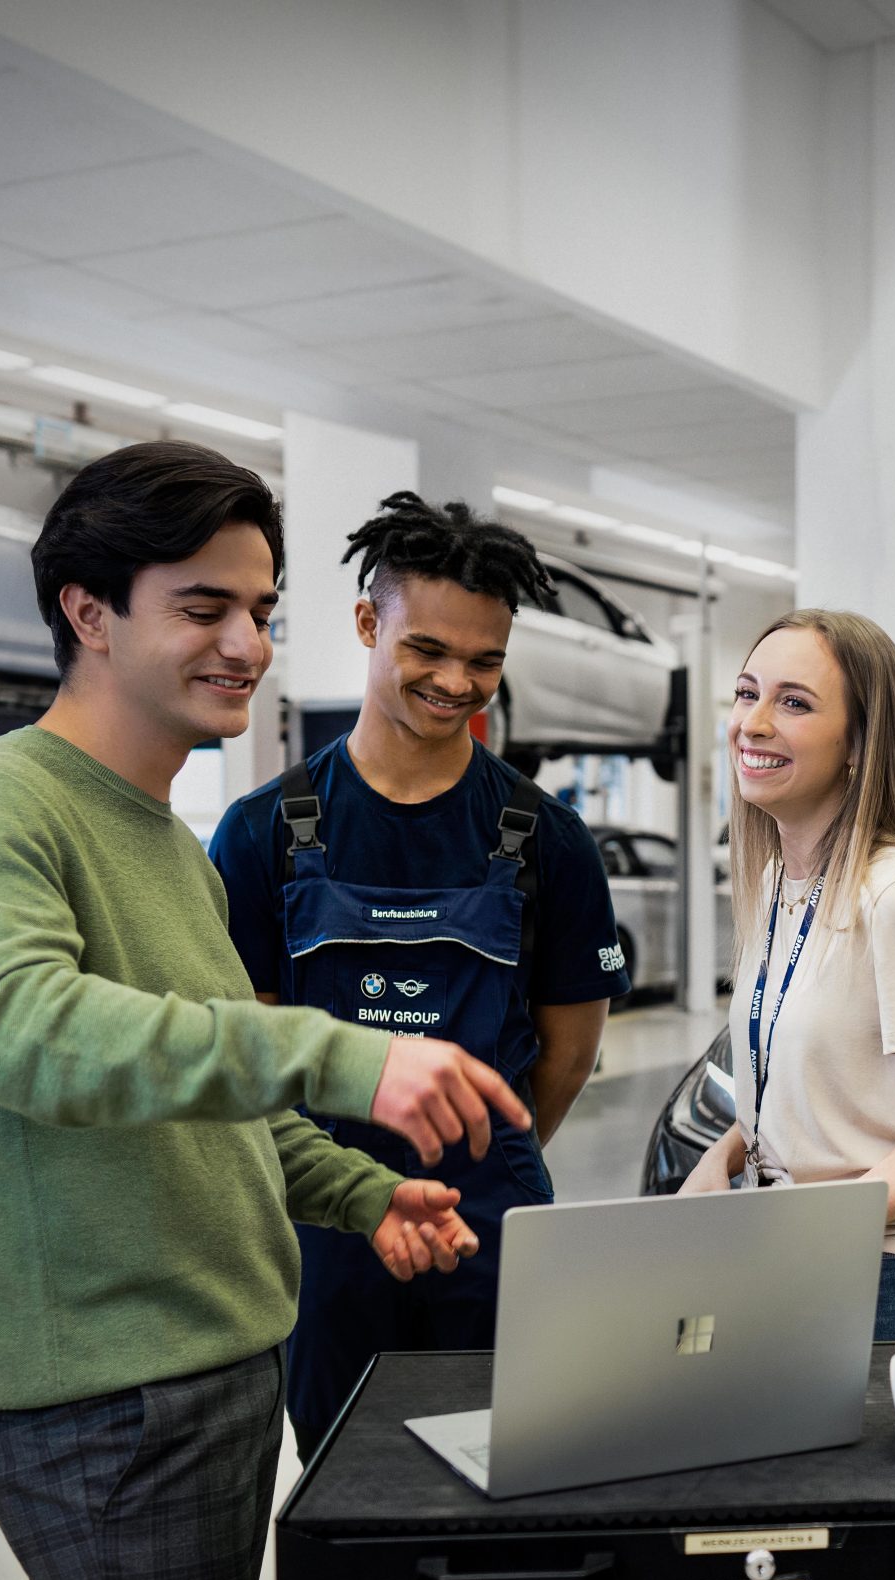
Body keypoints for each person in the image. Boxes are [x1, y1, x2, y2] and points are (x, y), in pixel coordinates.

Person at [0, 442, 529, 1580]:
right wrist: (342, 1057)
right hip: (108, 1393)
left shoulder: (168, 848)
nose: (247, 643)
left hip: (205, 1365)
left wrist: (367, 1194)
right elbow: (25, 1033)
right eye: (203, 606)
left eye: (261, 607)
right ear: (89, 611)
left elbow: (211, 1094)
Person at [212, 490, 630, 1462]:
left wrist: (484, 1155)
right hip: (323, 1236)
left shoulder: (546, 841)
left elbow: (567, 1056)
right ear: (368, 623)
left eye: (485, 661)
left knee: (513, 1465)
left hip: (493, 1229)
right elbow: (249, 1053)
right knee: (344, 1476)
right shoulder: (265, 833)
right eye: (429, 651)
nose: (457, 682)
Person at [679, 608, 895, 1342]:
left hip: (892, 1280)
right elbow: (807, 1087)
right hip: (795, 1254)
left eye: (793, 703)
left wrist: (818, 1228)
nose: (753, 723)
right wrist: (724, 1153)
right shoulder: (777, 885)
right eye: (746, 694)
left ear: (859, 743)